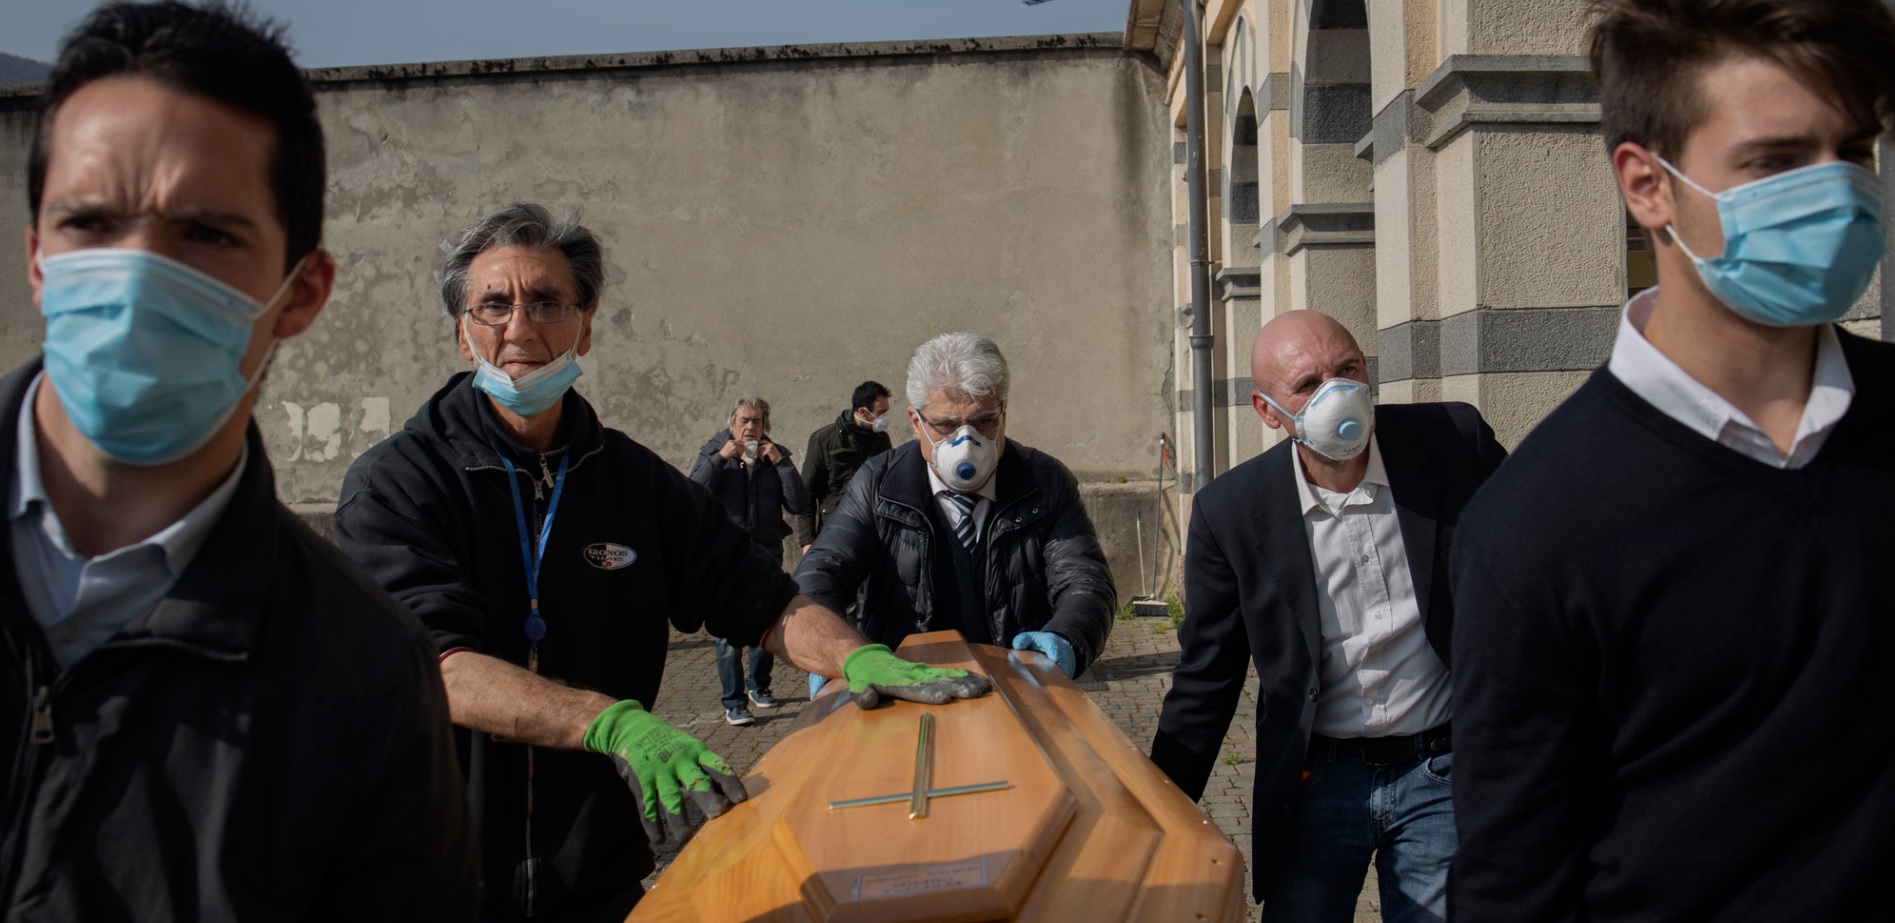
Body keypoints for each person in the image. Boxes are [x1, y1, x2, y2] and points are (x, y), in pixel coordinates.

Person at [333, 204, 990, 922]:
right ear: (463, 330)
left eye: (547, 302)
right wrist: (612, 723)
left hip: (598, 881)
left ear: (584, 325)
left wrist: (856, 658)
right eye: (493, 305)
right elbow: (438, 664)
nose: (518, 328)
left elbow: (764, 602)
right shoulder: (396, 482)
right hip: (434, 882)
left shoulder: (636, 482)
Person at [0, 2, 476, 917]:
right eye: (91, 223)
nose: (136, 276)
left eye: (206, 235)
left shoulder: (365, 684)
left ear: (301, 293)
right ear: (35, 258)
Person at [1448, 1, 1895, 919]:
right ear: (1646, 185)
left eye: (1852, 150)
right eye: (1775, 161)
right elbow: (1513, 880)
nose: (1837, 191)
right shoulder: (1535, 525)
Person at [1149, 311, 1506, 920]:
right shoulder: (1232, 513)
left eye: (1348, 370)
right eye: (1309, 384)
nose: (1336, 392)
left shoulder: (1452, 443)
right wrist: (1157, 810)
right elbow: (1208, 676)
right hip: (1318, 779)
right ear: (1268, 412)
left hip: (1441, 770)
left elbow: (1527, 570)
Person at [795, 332, 1115, 684]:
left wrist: (1065, 639)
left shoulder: (1045, 482)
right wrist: (835, 652)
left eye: (984, 421)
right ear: (916, 422)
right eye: (946, 425)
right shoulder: (877, 485)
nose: (967, 442)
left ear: (1004, 414)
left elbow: (1085, 580)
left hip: (1017, 690)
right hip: (903, 689)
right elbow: (821, 574)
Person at [688, 394, 808, 724]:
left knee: (766, 621)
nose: (751, 427)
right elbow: (693, 494)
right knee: (727, 635)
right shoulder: (714, 451)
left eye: (757, 421)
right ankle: (734, 701)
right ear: (732, 424)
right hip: (724, 554)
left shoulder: (774, 454)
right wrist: (719, 458)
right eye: (744, 421)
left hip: (766, 551)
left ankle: (760, 686)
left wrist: (781, 463)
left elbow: (798, 503)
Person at [797, 380, 893, 555]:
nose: (885, 419)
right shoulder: (824, 440)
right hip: (836, 533)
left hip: (874, 531)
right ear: (863, 412)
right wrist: (807, 541)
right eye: (881, 413)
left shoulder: (881, 440)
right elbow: (806, 494)